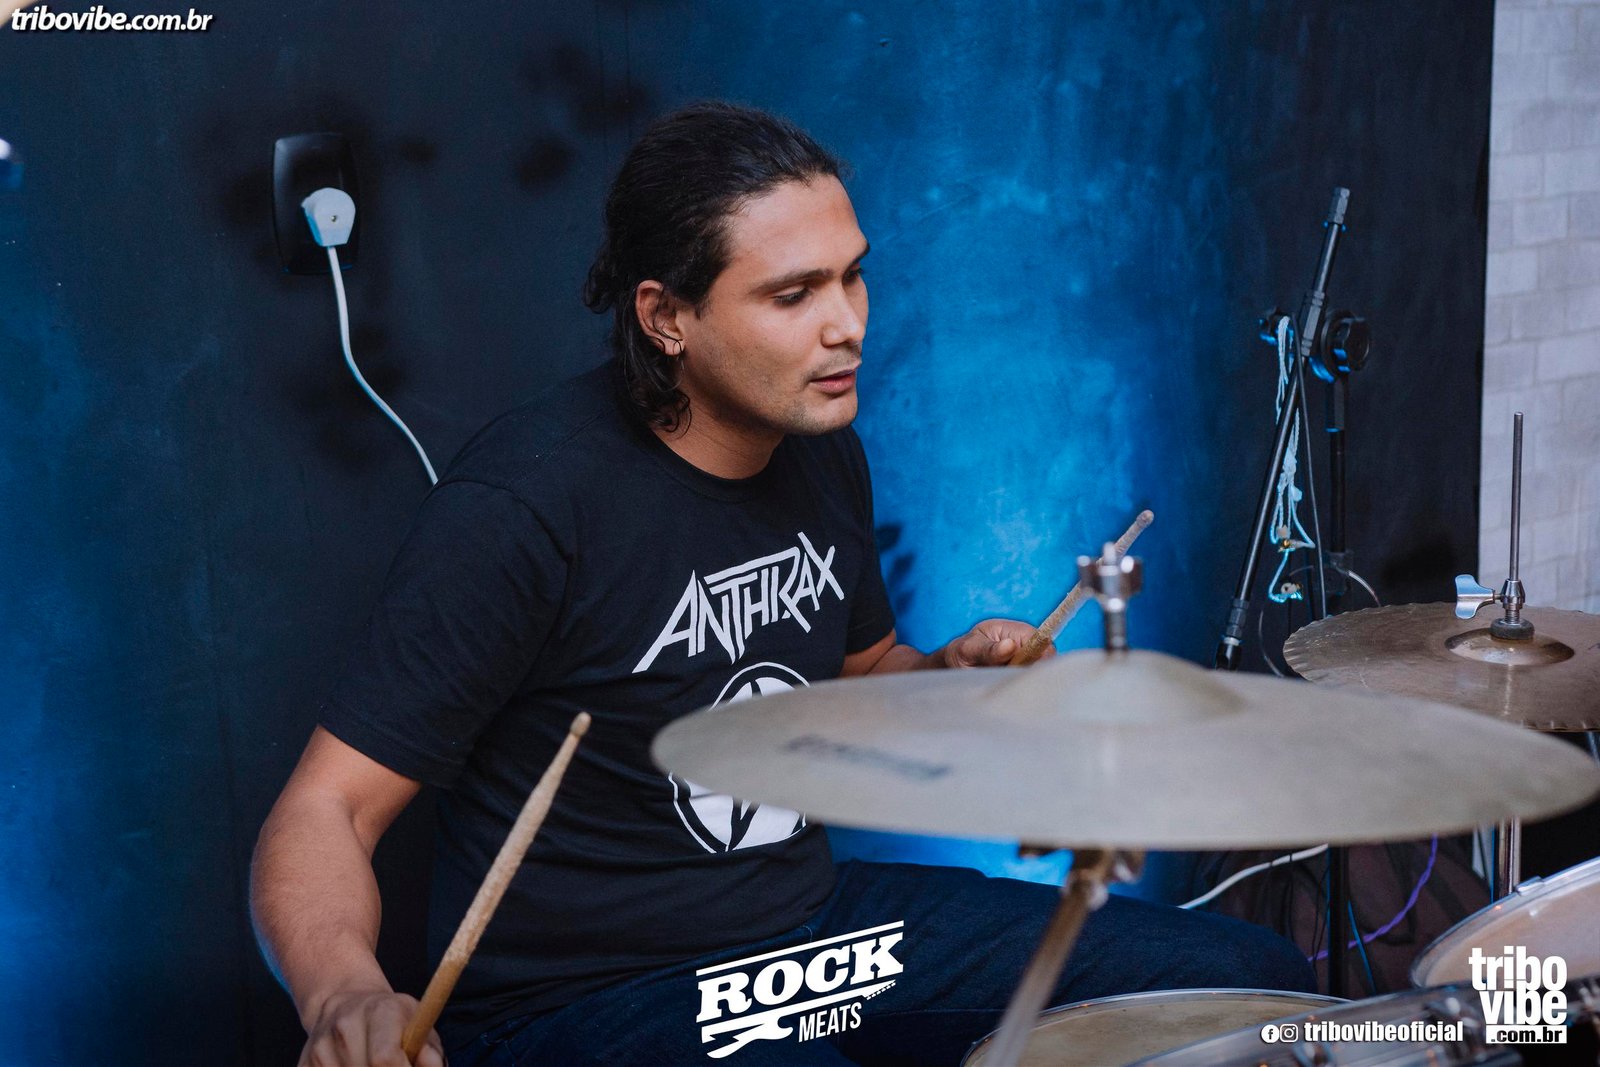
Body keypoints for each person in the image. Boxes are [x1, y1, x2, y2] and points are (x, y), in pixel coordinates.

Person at [251, 101, 1314, 1067]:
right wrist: (345, 991)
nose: (847, 323)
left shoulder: (818, 446)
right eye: (794, 293)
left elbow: (859, 676)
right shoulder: (527, 505)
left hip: (808, 939)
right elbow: (326, 808)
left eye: (853, 276)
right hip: (587, 1002)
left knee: (1244, 982)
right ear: (667, 315)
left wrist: (948, 674)